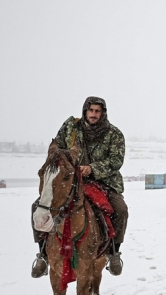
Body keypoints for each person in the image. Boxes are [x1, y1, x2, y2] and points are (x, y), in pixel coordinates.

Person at [31, 96, 128, 277]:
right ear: (85, 111)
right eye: (90, 110)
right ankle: (43, 254)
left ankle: (114, 252)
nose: (93, 114)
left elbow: (116, 161)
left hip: (103, 182)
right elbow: (56, 150)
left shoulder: (114, 134)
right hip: (70, 180)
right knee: (37, 207)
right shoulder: (70, 128)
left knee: (121, 209)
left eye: (97, 111)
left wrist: (92, 169)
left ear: (103, 113)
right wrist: (64, 167)